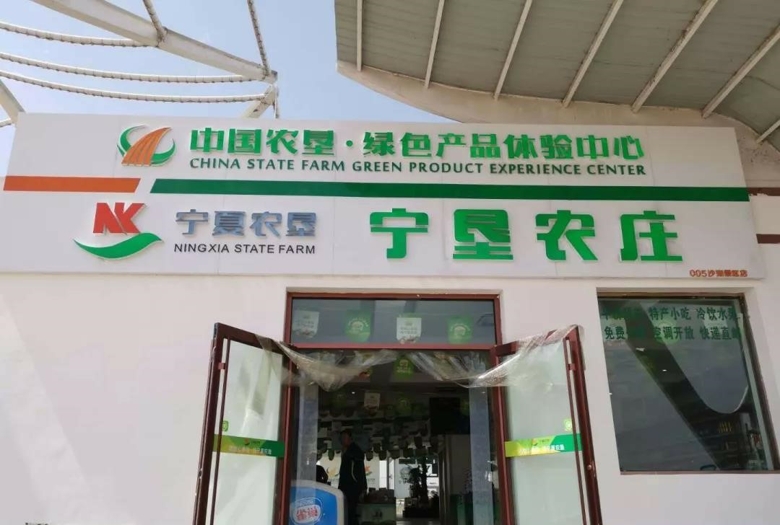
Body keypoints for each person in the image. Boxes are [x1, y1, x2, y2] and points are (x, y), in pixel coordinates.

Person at [338, 429, 367, 525]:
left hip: (352, 486)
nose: (342, 440)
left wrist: (361, 487)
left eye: (344, 438)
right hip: (347, 486)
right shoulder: (348, 451)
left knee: (351, 511)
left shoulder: (354, 451)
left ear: (350, 439)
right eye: (341, 438)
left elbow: (359, 470)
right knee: (349, 512)